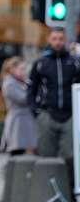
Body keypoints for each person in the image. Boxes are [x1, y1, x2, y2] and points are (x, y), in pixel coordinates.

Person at [27, 28, 80, 163]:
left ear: (65, 41)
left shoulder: (75, 63)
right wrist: (36, 112)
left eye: (61, 39)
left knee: (70, 156)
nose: (58, 42)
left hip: (70, 116)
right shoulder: (40, 63)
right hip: (47, 114)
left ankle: (68, 184)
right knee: (46, 156)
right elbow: (31, 89)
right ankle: (46, 183)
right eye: (54, 39)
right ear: (49, 40)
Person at [0, 56, 37, 156]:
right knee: (16, 150)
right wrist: (34, 92)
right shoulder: (9, 83)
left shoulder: (23, 82)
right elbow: (23, 99)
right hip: (17, 121)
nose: (24, 72)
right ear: (12, 69)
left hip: (26, 120)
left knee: (25, 151)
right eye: (21, 69)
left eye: (25, 69)